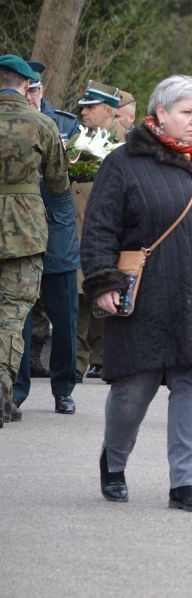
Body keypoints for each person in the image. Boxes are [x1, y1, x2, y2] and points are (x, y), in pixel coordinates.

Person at [80, 74, 192, 511]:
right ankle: (114, 462)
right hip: (146, 298)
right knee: (132, 392)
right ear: (160, 114)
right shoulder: (123, 162)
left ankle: (185, 481)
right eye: (188, 113)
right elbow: (99, 228)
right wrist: (103, 282)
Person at [0, 54, 70, 426]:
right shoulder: (41, 124)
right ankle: (2, 387)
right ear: (27, 85)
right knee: (12, 313)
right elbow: (59, 184)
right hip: (23, 232)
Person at [12, 62, 83, 417]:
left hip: (57, 233)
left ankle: (63, 388)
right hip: (19, 236)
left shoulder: (66, 123)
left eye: (37, 89)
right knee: (18, 317)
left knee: (65, 317)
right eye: (29, 88)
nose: (33, 95)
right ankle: (16, 390)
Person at [72, 79, 128, 384]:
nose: (84, 113)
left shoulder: (123, 146)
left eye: (90, 107)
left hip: (107, 237)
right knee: (81, 301)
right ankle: (80, 362)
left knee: (103, 299)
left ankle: (101, 358)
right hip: (78, 232)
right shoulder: (79, 140)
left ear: (108, 110)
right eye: (83, 107)